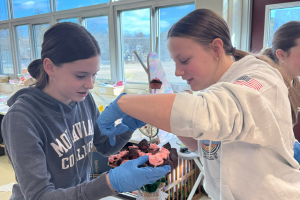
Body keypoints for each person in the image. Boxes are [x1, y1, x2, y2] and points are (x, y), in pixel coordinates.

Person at [97, 9, 300, 200]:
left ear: (216, 48)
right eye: (175, 62)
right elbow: (203, 147)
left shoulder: (259, 78)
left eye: (184, 60)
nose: (177, 71)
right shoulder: (215, 88)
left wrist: (125, 103)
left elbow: (207, 115)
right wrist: (155, 115)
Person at [2, 22, 170, 200]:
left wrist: (127, 126)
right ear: (50, 67)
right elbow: (39, 196)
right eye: (81, 75)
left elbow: (105, 146)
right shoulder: (22, 119)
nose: (90, 85)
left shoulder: (83, 99)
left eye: (94, 74)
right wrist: (109, 184)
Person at [261, 21, 300, 164]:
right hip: (269, 155)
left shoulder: (293, 81)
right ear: (281, 54)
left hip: (288, 144)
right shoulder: (268, 85)